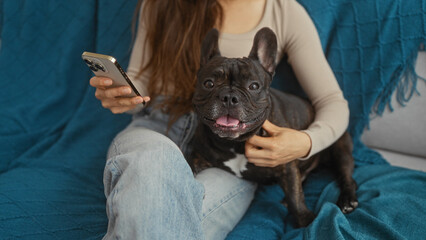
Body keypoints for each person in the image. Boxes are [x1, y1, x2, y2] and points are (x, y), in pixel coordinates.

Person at [89, 0, 349, 239]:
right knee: (152, 163)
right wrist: (123, 95)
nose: (229, 97)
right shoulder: (160, 3)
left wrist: (306, 142)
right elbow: (141, 79)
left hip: (235, 159)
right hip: (158, 127)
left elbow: (332, 102)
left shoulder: (282, 11)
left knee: (160, 214)